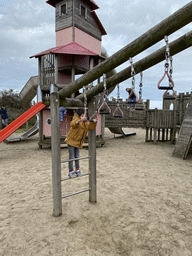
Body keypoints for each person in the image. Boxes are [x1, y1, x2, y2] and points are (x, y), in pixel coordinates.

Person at [65, 109, 97, 178]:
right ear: (79, 116)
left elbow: (90, 127)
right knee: (71, 156)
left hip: (78, 143)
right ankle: (71, 171)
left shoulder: (86, 123)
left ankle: (77, 169)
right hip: (71, 141)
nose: (84, 117)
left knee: (77, 157)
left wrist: (94, 123)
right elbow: (72, 124)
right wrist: (79, 121)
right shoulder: (76, 119)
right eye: (82, 115)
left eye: (85, 115)